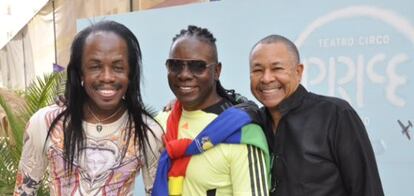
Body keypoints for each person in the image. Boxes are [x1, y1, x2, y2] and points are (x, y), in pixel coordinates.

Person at [14, 20, 163, 196]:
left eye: (118, 67)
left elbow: (158, 192)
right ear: (80, 72)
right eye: (95, 67)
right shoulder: (46, 122)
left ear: (130, 73)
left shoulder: (148, 132)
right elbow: (24, 191)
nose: (107, 77)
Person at [249, 34, 384, 196]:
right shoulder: (252, 123)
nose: (266, 78)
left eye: (277, 68)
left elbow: (367, 188)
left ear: (298, 72)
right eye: (257, 70)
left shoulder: (335, 114)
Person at [152, 25, 270, 196]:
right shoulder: (159, 124)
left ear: (217, 71)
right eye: (175, 65)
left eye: (198, 66)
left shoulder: (243, 132)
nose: (184, 74)